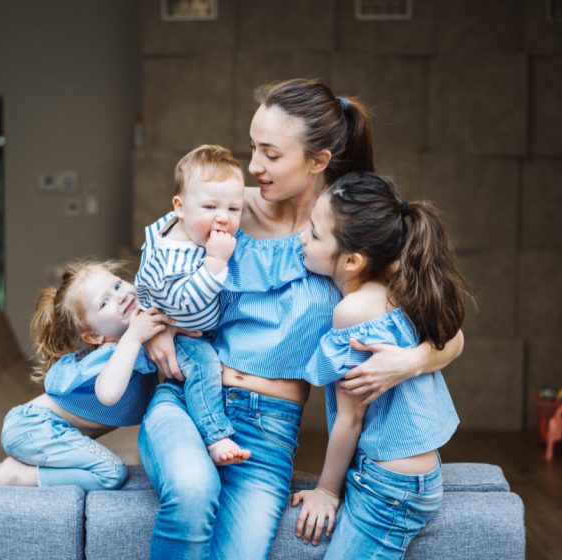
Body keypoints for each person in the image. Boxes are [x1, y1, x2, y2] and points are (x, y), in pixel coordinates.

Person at [138, 78, 465, 559]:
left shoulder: (342, 235)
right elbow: (150, 283)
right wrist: (159, 324)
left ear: (319, 161)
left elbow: (446, 333)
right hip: (189, 397)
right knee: (190, 491)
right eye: (252, 148)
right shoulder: (222, 207)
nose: (253, 166)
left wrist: (408, 363)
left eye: (270, 154)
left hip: (266, 433)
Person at [292, 171, 469, 557]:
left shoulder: (353, 311)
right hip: (413, 471)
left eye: (315, 234)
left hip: (390, 485)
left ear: (353, 260)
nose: (302, 238)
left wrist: (326, 490)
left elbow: (349, 419)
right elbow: (454, 337)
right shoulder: (402, 288)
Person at [0, 260, 166, 490]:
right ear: (94, 337)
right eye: (104, 302)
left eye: (117, 285)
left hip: (34, 428)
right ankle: (18, 476)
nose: (120, 296)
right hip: (33, 427)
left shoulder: (134, 343)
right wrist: (133, 337)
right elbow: (109, 393)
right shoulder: (111, 353)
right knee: (111, 473)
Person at [135, 144, 250, 465]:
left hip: (193, 326)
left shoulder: (181, 225)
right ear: (180, 207)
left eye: (233, 209)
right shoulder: (173, 255)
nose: (223, 219)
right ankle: (215, 436)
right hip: (180, 329)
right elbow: (185, 306)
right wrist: (215, 262)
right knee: (205, 366)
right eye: (211, 206)